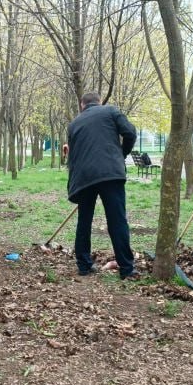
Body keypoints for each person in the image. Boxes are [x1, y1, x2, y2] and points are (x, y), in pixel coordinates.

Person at [63, 92, 138, 279]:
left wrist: (73, 186)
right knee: (117, 220)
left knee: (84, 220)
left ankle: (84, 265)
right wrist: (121, 154)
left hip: (84, 178)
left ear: (82, 105)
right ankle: (127, 268)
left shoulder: (73, 124)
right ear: (100, 101)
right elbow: (130, 133)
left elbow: (72, 157)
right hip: (111, 174)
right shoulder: (111, 111)